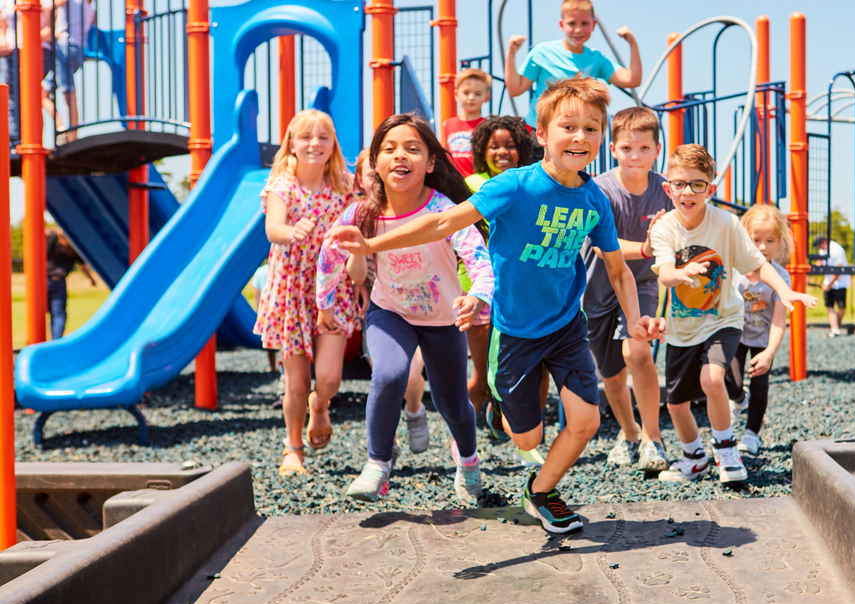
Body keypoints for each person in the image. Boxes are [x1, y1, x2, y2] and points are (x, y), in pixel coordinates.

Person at [328, 75, 664, 533]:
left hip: (566, 325)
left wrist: (635, 322)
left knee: (584, 422)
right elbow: (443, 221)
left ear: (601, 137)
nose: (580, 137)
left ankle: (539, 492)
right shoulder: (515, 186)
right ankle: (502, 408)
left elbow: (617, 269)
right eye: (569, 126)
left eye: (591, 128)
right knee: (526, 436)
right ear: (542, 135)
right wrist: (369, 246)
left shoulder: (594, 200)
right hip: (513, 331)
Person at [319, 114, 493, 503]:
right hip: (389, 311)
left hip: (442, 318)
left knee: (451, 401)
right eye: (390, 149)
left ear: (431, 162)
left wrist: (478, 295)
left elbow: (478, 258)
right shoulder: (363, 213)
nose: (401, 156)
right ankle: (378, 464)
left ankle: (467, 459)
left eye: (413, 149)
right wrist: (324, 303)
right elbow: (329, 255)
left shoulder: (445, 209)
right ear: (376, 163)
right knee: (390, 372)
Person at [649, 144, 816, 484]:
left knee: (712, 379)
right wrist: (678, 275)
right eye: (679, 184)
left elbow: (757, 265)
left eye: (698, 184)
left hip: (722, 319)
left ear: (710, 189)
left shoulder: (725, 223)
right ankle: (694, 457)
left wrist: (785, 291)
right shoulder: (664, 228)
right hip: (683, 328)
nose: (688, 192)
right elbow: (664, 270)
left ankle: (727, 450)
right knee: (676, 403)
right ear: (668, 188)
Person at [254, 109, 357, 476]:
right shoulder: (283, 185)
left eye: (323, 137)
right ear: (292, 145)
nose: (314, 144)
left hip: (332, 290)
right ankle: (292, 448)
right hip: (292, 291)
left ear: (333, 146)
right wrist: (292, 232)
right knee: (296, 382)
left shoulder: (344, 187)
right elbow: (273, 228)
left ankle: (322, 404)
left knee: (328, 378)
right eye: (306, 137)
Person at [583, 106, 672, 472]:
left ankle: (654, 438)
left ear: (656, 149)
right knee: (612, 374)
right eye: (627, 148)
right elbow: (602, 245)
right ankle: (629, 433)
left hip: (644, 284)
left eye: (644, 148)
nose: (635, 156)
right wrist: (648, 247)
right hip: (597, 289)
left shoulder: (665, 190)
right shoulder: (600, 189)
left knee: (637, 353)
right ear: (613, 149)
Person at [463, 115, 547, 469]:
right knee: (482, 376)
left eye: (510, 144)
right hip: (480, 288)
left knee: (535, 368)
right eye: (494, 145)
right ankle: (463, 444)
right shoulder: (470, 183)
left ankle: (527, 440)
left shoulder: (531, 183)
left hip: (522, 288)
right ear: (482, 150)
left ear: (523, 148)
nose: (502, 151)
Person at [354, 149, 429, 452]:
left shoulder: (414, 207)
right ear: (359, 180)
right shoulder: (359, 215)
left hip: (421, 305)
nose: (375, 179)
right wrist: (356, 251)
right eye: (369, 174)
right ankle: (388, 439)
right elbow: (356, 274)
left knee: (411, 377)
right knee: (385, 376)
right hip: (382, 308)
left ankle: (414, 410)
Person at [504, 0, 641, 159]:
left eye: (584, 23)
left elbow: (631, 80)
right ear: (561, 24)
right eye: (572, 23)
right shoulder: (543, 52)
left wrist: (632, 43)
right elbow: (515, 89)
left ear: (593, 25)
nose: (578, 29)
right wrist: (511, 52)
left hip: (576, 134)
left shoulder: (596, 59)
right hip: (539, 133)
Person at [727, 205, 792, 456]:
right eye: (755, 240)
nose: (762, 246)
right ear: (745, 238)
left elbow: (778, 321)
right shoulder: (735, 272)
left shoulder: (780, 277)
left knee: (760, 385)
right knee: (730, 381)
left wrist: (769, 353)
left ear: (779, 242)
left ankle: (752, 435)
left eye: (769, 240)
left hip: (763, 339)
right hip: (736, 333)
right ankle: (737, 399)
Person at [1, 0, 54, 150]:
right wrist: (3, 41)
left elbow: (50, 28)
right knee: (13, 97)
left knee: (31, 94)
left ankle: (35, 139)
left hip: (37, 51)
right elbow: (2, 26)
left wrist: (32, 40)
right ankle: (16, 139)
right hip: (12, 51)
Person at [42, 0, 94, 142]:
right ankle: (64, 128)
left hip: (64, 46)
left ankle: (69, 133)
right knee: (44, 91)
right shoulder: (86, 0)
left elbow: (48, 7)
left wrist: (50, 28)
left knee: (67, 91)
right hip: (78, 49)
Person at [45, 227, 97, 340]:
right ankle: (56, 341)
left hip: (44, 280)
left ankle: (41, 340)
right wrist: (91, 279)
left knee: (44, 312)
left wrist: (53, 232)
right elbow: (83, 266)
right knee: (58, 314)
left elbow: (42, 243)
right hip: (59, 281)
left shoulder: (53, 241)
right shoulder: (73, 248)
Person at [443, 68, 491, 178]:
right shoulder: (447, 124)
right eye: (466, 93)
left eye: (478, 94)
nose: (471, 98)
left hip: (479, 183)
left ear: (487, 97)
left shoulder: (488, 125)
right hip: (454, 184)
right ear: (456, 95)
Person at [813, 235, 849, 336]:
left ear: (823, 242)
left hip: (840, 283)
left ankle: (836, 326)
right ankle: (834, 329)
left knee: (841, 307)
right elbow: (822, 262)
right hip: (828, 282)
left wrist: (829, 284)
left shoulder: (836, 250)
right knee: (830, 306)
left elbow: (837, 272)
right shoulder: (823, 251)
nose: (819, 249)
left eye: (820, 246)